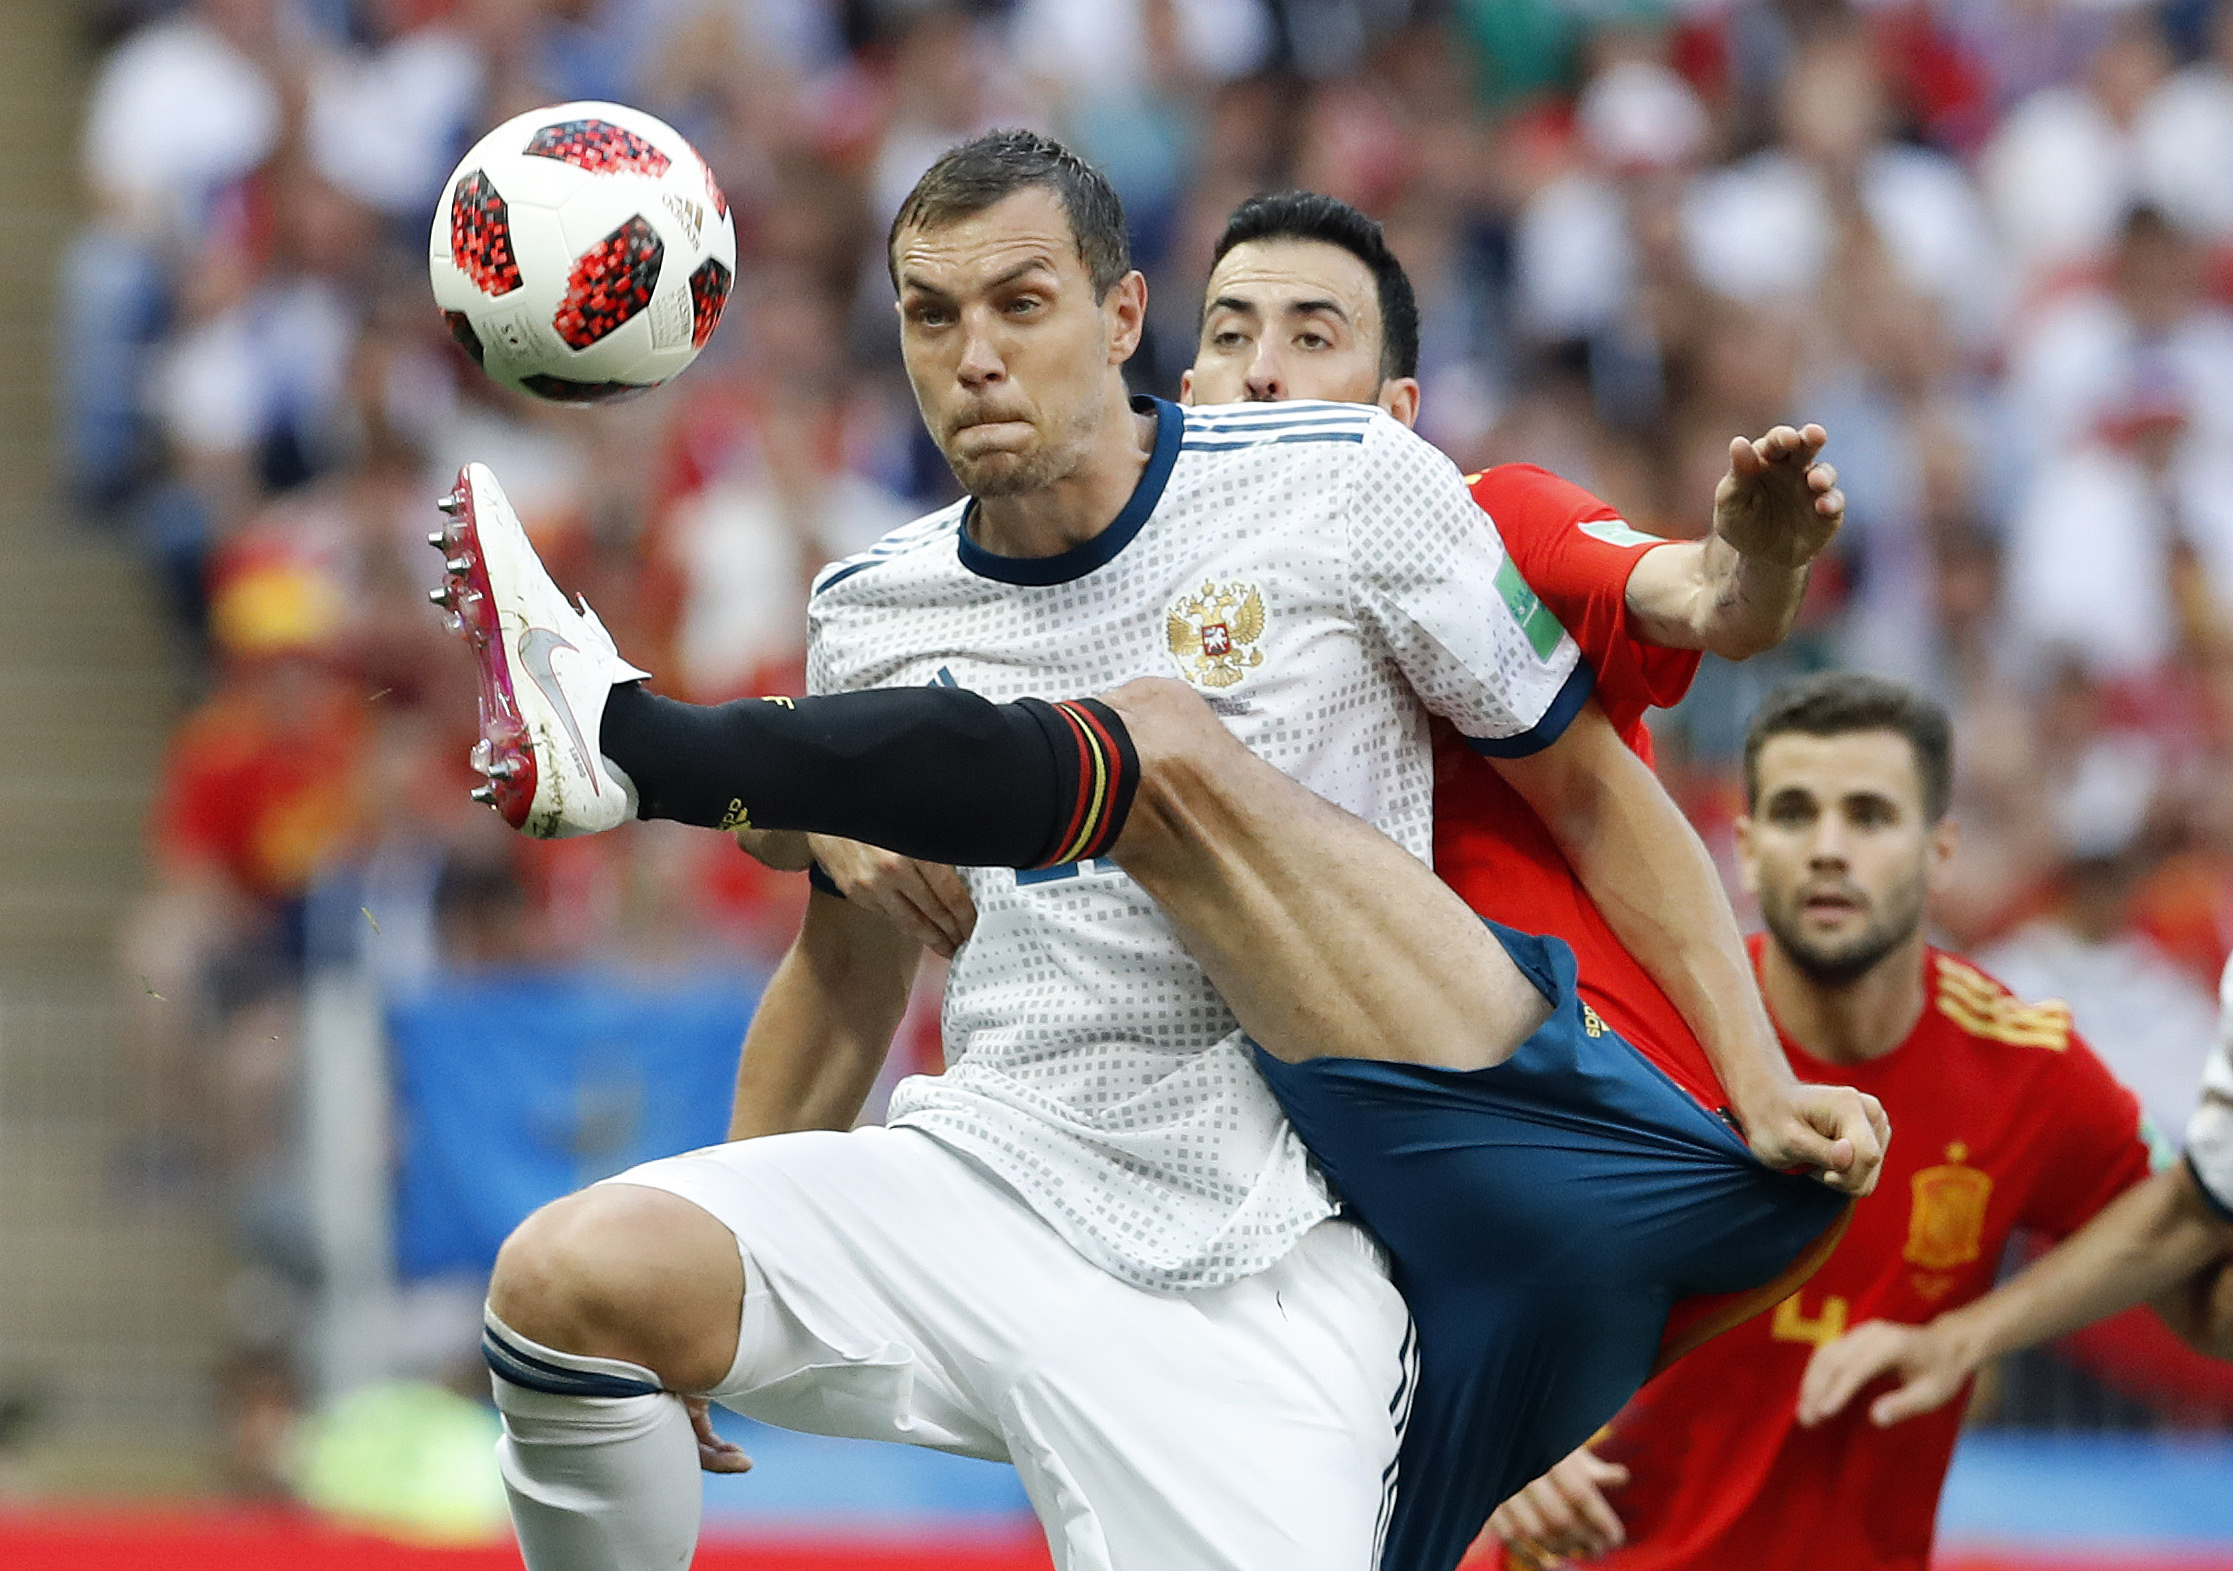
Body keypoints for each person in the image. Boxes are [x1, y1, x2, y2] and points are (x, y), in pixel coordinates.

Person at [443, 132, 1879, 1571]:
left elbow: (1598, 789)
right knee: (568, 1281)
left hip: (1262, 1245)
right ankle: (633, 740)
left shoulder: (1350, 479)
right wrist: (726, 1262)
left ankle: (639, 740)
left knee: (1162, 743)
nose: (975, 356)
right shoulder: (876, 607)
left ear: (1124, 318)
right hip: (987, 1173)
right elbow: (846, 970)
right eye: (932, 317)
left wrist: (1754, 1072)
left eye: (1021, 304)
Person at [1485, 673, 2173, 1571]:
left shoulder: (2024, 1067)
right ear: (1745, 847)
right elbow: (1448, 1232)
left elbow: (2169, 1237)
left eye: (1870, 816)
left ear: (1940, 850)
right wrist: (1499, 1436)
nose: (1827, 848)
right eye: (1795, 812)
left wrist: (1970, 1334)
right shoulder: (1638, 1031)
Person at [1795, 960, 2233, 1427]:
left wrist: (1958, 1339)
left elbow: (2193, 1252)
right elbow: (2191, 1227)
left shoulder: (2032, 1059)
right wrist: (1954, 1341)